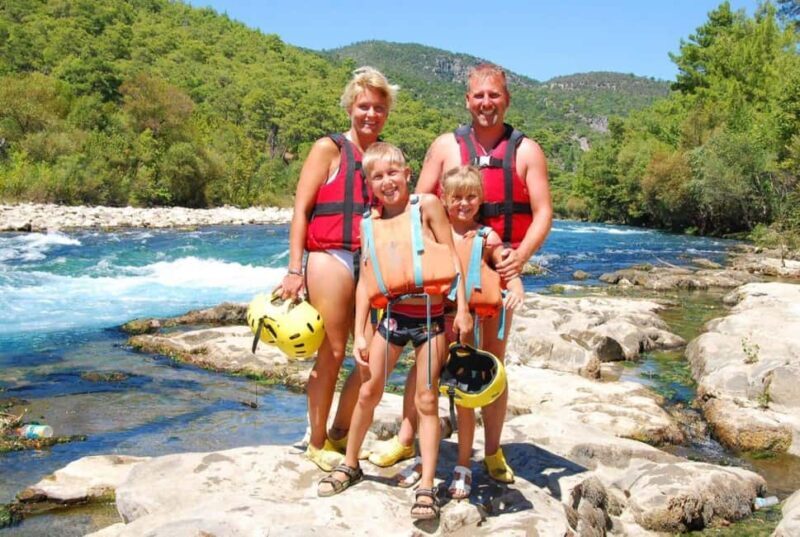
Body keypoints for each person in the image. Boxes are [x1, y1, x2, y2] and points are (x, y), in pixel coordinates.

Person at [373, 63, 553, 485]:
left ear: (507, 99)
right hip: (443, 276)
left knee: (491, 363)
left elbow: (544, 212)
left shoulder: (527, 151)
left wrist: (519, 259)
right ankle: (406, 438)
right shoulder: (444, 147)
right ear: (468, 100)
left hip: (496, 272)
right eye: (479, 96)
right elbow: (416, 205)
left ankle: (491, 451)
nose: (487, 103)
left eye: (494, 95)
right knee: (427, 360)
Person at [316, 143, 471, 521]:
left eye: (392, 173)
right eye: (377, 177)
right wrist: (360, 333)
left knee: (427, 400)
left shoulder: (427, 207)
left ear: (407, 173)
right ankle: (350, 464)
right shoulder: (369, 224)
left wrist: (464, 310)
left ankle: (427, 484)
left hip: (432, 319)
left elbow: (453, 259)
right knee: (368, 391)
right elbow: (366, 283)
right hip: (394, 318)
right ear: (369, 184)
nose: (387, 182)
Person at [279, 67, 398, 472]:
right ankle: (316, 442)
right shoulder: (328, 149)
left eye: (378, 108)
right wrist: (294, 269)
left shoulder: (386, 157)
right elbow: (301, 210)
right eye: (364, 106)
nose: (370, 114)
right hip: (330, 256)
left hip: (371, 263)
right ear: (350, 107)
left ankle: (341, 432)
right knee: (332, 352)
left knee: (370, 358)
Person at [438, 165, 524, 499]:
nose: (464, 203)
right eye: (457, 197)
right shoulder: (435, 231)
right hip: (450, 316)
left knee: (488, 379)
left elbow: (506, 265)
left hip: (485, 316)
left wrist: (516, 286)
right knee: (447, 383)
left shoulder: (487, 237)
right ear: (444, 198)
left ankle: (491, 451)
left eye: (471, 197)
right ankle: (422, 448)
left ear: (481, 199)